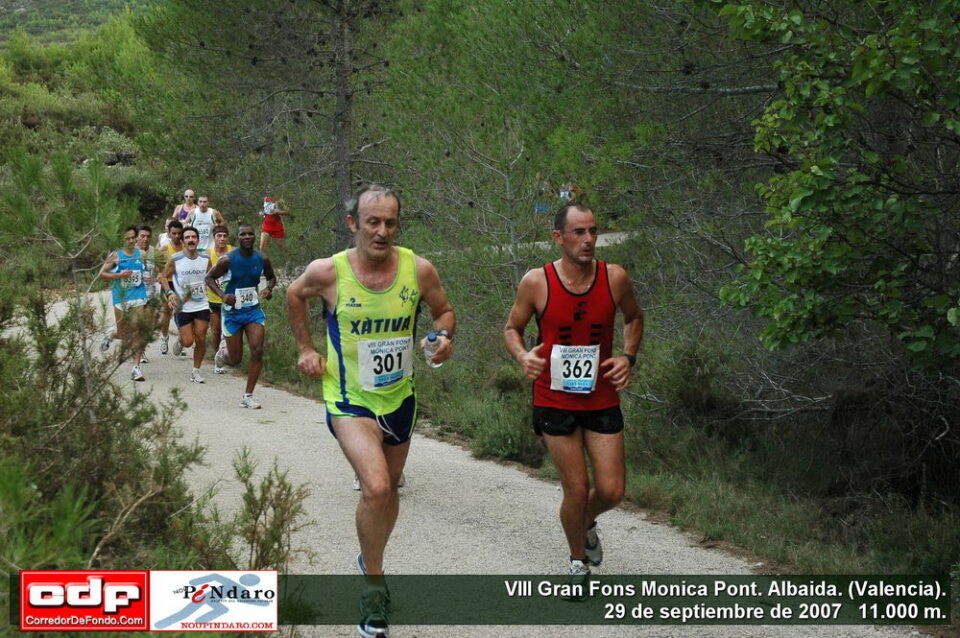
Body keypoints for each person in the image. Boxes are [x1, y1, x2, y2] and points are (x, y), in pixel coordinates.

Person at [286, 184, 455, 638]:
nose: (382, 231)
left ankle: (370, 558)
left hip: (400, 398)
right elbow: (293, 294)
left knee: (390, 489)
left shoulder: (417, 269)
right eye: (372, 222)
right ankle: (374, 586)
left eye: (390, 223)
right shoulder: (328, 272)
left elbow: (444, 312)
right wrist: (306, 347)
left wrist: (441, 339)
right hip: (348, 399)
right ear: (353, 224)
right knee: (376, 487)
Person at [503, 202, 643, 585]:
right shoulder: (537, 281)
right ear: (558, 237)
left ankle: (585, 523)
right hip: (554, 397)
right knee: (577, 489)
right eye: (579, 232)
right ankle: (577, 561)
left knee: (612, 491)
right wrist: (522, 356)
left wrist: (628, 356)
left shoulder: (614, 278)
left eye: (593, 231)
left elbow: (634, 317)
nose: (589, 240)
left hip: (601, 396)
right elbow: (512, 328)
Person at [205, 223, 277, 408]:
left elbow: (271, 277)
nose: (247, 237)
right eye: (243, 234)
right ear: (237, 239)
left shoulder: (262, 258)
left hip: (253, 311)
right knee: (236, 359)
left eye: (250, 234)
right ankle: (223, 354)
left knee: (257, 350)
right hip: (232, 314)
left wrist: (269, 289)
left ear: (254, 237)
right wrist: (222, 295)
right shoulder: (228, 260)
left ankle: (248, 396)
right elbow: (208, 278)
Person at [99, 226, 149, 382]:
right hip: (121, 297)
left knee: (138, 329)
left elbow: (146, 271)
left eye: (133, 237)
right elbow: (102, 274)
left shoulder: (141, 254)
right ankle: (111, 334)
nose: (131, 241)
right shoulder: (116, 255)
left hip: (139, 295)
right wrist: (119, 274)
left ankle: (135, 368)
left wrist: (148, 278)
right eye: (127, 238)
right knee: (123, 333)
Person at [161, 226, 211, 384]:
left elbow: (211, 278)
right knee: (189, 341)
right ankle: (181, 341)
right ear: (182, 241)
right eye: (187, 237)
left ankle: (196, 371)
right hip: (183, 306)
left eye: (193, 237)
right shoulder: (176, 259)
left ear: (198, 240)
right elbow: (162, 276)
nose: (191, 240)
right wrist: (170, 293)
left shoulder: (205, 259)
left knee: (201, 338)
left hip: (202, 304)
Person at [206, 225, 233, 373]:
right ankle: (218, 361)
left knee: (229, 331)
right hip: (214, 298)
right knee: (216, 331)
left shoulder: (233, 252)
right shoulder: (208, 254)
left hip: (231, 299)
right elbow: (206, 276)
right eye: (219, 236)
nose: (222, 239)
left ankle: (228, 355)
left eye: (224, 236)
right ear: (214, 237)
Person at [156, 220, 185, 355]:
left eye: (179, 233)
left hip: (182, 284)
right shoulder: (165, 248)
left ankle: (181, 340)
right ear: (169, 233)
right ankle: (164, 338)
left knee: (182, 313)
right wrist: (159, 276)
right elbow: (157, 266)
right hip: (168, 284)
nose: (177, 236)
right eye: (174, 233)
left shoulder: (186, 247)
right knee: (167, 313)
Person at [135, 224, 157, 365]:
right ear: (136, 238)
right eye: (142, 236)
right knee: (136, 326)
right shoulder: (130, 253)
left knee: (148, 326)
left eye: (148, 236)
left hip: (150, 293)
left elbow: (160, 271)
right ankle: (137, 353)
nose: (145, 239)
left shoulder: (154, 251)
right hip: (134, 294)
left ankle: (140, 350)